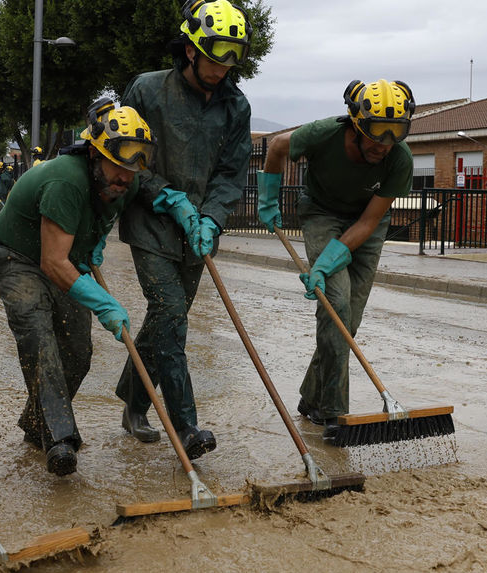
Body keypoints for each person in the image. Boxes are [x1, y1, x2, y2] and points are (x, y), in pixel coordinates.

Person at [113, 0, 253, 459]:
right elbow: (124, 156)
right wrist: (167, 197)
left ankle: (133, 401)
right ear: (191, 49)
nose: (224, 66)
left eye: (234, 55)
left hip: (198, 232)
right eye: (216, 54)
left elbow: (232, 174)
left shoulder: (236, 106)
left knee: (165, 324)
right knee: (171, 312)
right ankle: (187, 426)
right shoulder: (149, 91)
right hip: (150, 221)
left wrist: (211, 217)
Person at [0, 99, 152, 475]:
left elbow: (98, 222)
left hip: (65, 259)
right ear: (94, 155)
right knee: (40, 336)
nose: (124, 178)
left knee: (77, 350)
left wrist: (93, 246)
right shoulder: (66, 179)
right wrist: (103, 301)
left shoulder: (127, 178)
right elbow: (51, 263)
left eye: (132, 169)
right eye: (117, 167)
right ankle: (60, 439)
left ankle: (37, 424)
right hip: (18, 258)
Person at [256, 79, 415, 443]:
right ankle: (333, 412)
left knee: (347, 322)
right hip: (321, 213)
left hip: (366, 225)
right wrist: (268, 198)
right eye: (376, 134)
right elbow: (278, 146)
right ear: (357, 124)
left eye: (395, 135)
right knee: (336, 305)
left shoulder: (400, 159)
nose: (384, 145)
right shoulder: (324, 134)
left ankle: (311, 397)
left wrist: (326, 263)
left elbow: (368, 223)